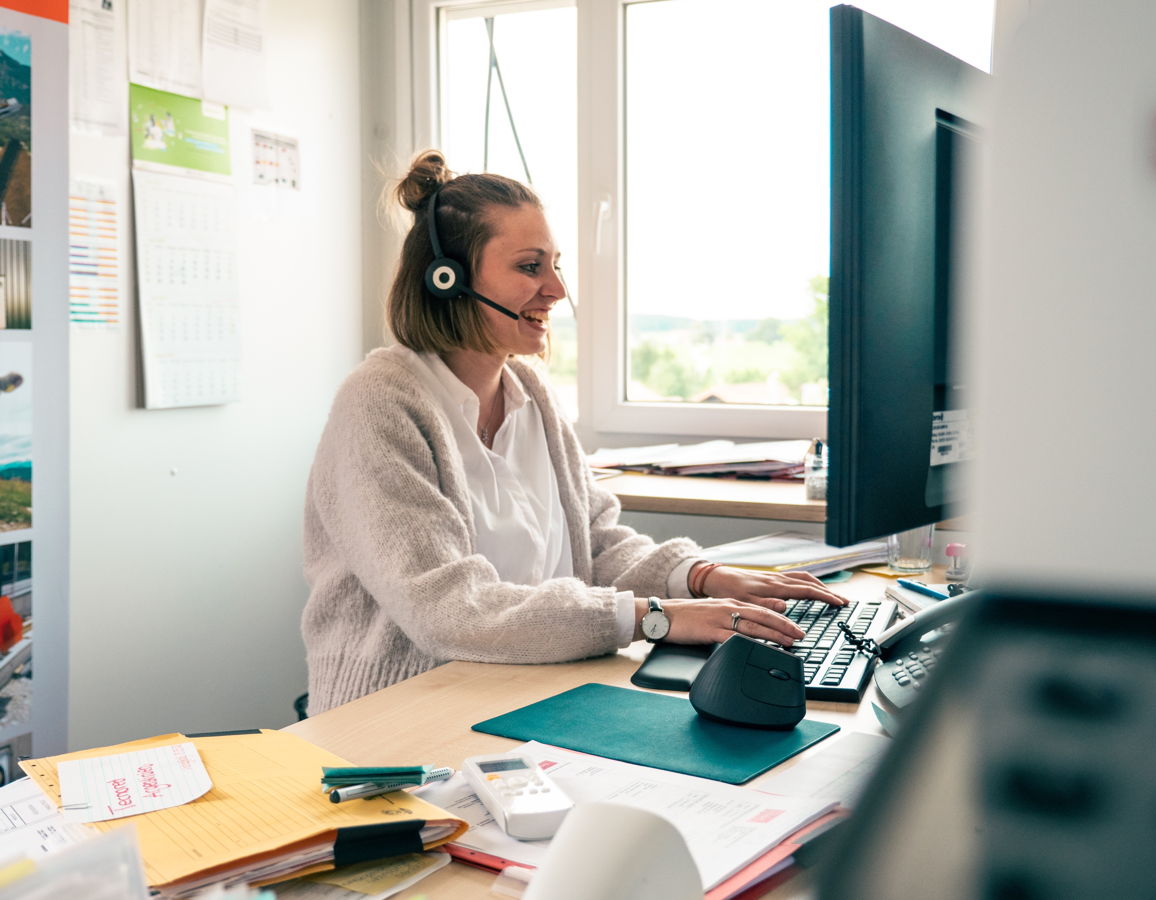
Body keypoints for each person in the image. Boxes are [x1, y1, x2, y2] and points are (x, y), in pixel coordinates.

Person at [301, 150, 847, 715]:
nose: (557, 289)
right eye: (530, 267)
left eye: (556, 265)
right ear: (449, 280)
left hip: (534, 692)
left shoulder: (530, 394)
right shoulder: (380, 403)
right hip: (401, 718)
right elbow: (449, 610)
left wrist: (704, 579)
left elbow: (597, 544)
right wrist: (657, 618)